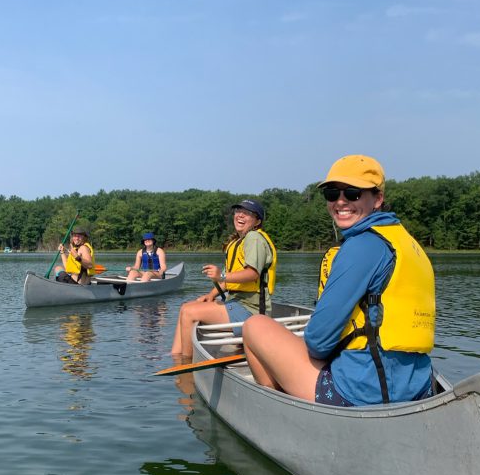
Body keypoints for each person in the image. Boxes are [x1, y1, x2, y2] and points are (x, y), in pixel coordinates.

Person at [242, 156, 435, 405]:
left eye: (353, 193)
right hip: (418, 387)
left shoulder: (362, 245)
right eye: (332, 194)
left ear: (378, 199)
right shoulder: (407, 243)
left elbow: (318, 343)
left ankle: (279, 409)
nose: (340, 201)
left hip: (361, 392)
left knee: (255, 325)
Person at [170, 199, 277, 358]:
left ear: (257, 221)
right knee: (186, 307)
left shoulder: (254, 238)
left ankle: (186, 364)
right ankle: (175, 356)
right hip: (236, 303)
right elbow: (231, 281)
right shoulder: (238, 242)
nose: (240, 215)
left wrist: (221, 275)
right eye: (238, 211)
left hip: (252, 311)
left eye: (247, 213)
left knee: (189, 312)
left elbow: (252, 273)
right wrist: (211, 295)